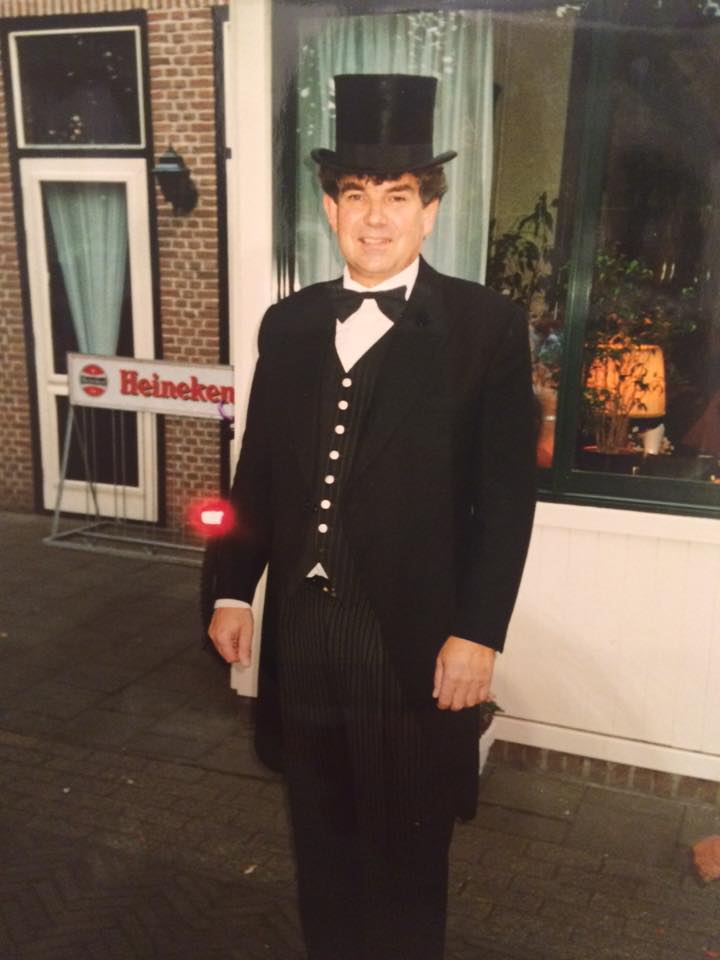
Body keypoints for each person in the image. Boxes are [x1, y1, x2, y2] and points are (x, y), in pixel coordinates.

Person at [208, 73, 536, 960]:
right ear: (329, 208)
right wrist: (233, 589)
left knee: (406, 857)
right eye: (356, 195)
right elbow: (258, 473)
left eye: (397, 196)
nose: (375, 218)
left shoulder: (485, 327)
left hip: (412, 641)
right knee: (319, 846)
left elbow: (507, 499)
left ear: (430, 210)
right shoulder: (289, 325)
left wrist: (479, 632)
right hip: (303, 634)